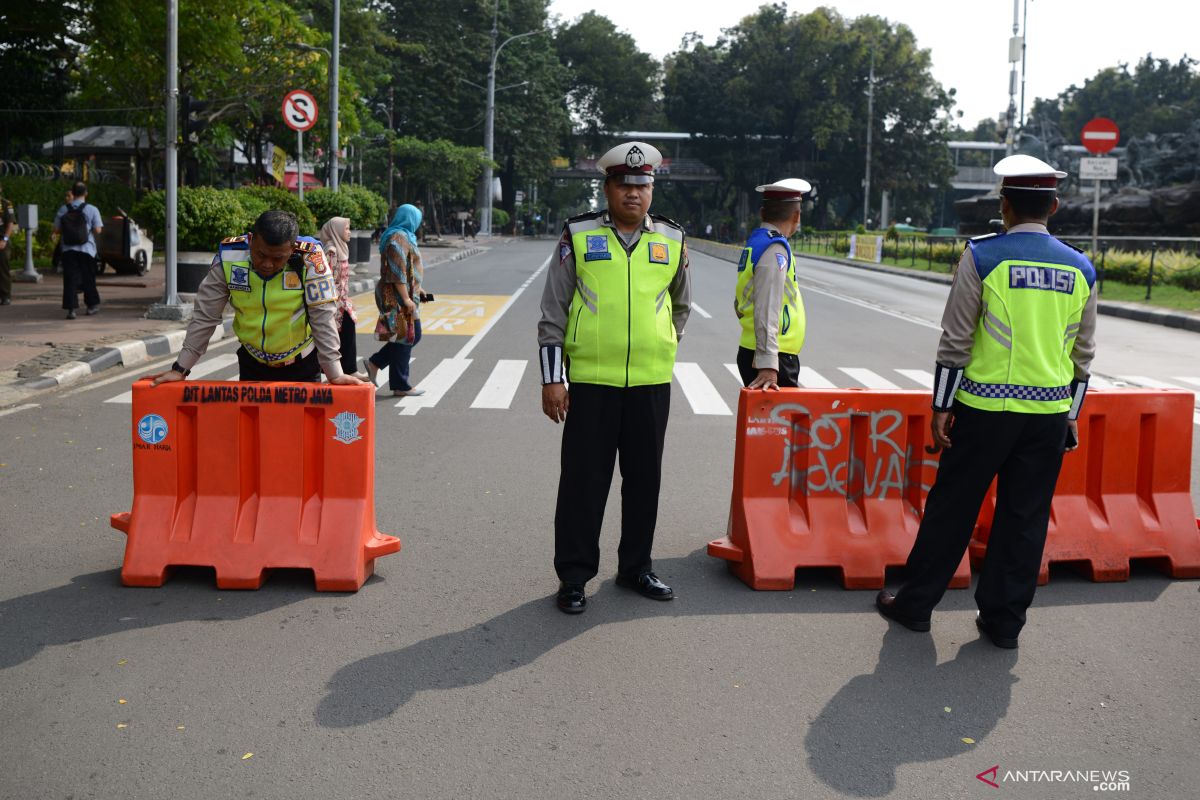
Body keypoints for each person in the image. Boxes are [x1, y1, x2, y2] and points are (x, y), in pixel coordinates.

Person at [876, 154, 1098, 649]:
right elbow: (1083, 353)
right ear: (1055, 206)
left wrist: (940, 406)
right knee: (1024, 518)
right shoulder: (1081, 267)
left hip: (982, 411)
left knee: (953, 508)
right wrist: (1072, 414)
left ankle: (914, 606)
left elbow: (955, 341)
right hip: (1046, 417)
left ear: (1004, 205)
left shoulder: (983, 257)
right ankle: (1003, 624)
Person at [537, 140, 691, 614]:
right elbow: (552, 313)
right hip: (591, 383)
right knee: (584, 483)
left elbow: (682, 306)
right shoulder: (578, 235)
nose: (633, 193)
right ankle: (574, 576)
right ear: (607, 187)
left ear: (652, 190)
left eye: (642, 185)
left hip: (650, 383)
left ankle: (636, 567)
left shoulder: (672, 239)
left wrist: (662, 342)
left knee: (645, 481)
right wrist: (552, 379)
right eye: (624, 184)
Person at [149, 210, 363, 386]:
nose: (268, 264)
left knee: (297, 437)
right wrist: (180, 369)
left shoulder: (311, 258)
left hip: (302, 366)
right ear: (251, 240)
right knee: (251, 436)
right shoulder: (230, 255)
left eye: (278, 258)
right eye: (261, 254)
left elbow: (322, 316)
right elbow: (205, 315)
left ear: (292, 250)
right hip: (252, 364)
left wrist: (335, 373)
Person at [734, 178, 811, 389]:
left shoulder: (758, 242)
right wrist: (768, 363)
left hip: (758, 351)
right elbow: (767, 307)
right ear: (796, 216)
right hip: (773, 358)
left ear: (762, 212)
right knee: (781, 420)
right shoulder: (774, 249)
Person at [364, 204, 426, 397]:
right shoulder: (398, 238)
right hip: (397, 296)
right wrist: (406, 298)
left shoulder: (405, 236)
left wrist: (419, 289)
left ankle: (376, 363)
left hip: (405, 293)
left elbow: (409, 269)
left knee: (407, 337)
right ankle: (400, 385)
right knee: (407, 337)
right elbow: (397, 271)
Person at [53, 181, 103, 319]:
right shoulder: (92, 209)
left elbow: (56, 230)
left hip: (68, 249)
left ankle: (71, 310)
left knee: (70, 279)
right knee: (88, 278)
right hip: (87, 249)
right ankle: (91, 306)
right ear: (86, 193)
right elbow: (98, 230)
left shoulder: (63, 209)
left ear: (72, 193)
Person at [320, 215, 358, 376]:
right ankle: (342, 370)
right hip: (333, 303)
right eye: (346, 229)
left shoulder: (341, 246)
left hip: (343, 302)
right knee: (332, 336)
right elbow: (327, 279)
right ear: (336, 231)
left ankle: (348, 369)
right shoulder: (331, 251)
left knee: (345, 333)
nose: (349, 232)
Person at [0, 182, 14, 306]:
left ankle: (5, 295)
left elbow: (10, 224)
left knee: (3, 268)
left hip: (1, 240)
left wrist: (4, 239)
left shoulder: (6, 204)